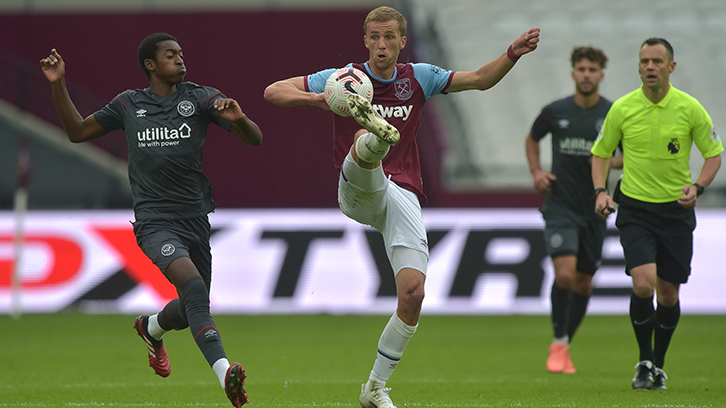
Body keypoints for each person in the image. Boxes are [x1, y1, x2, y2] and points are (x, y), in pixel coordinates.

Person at [264, 6, 539, 408]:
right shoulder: (345, 78)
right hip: (357, 187)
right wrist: (320, 98)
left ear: (402, 41)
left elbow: (480, 80)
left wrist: (512, 52)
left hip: (402, 195)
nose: (381, 44)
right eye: (374, 37)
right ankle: (374, 135)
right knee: (365, 148)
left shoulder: (419, 77)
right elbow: (273, 91)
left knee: (413, 294)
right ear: (365, 40)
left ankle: (374, 388)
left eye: (389, 36)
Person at [40, 33, 263, 407]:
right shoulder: (129, 104)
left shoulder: (200, 97)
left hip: (195, 218)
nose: (180, 60)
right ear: (150, 65)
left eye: (181, 54)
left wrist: (240, 120)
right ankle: (224, 371)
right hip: (154, 221)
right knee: (193, 289)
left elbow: (255, 140)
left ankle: (151, 326)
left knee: (194, 303)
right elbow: (77, 133)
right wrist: (59, 84)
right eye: (170, 55)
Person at [591, 38, 722, 391]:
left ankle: (658, 365)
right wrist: (600, 191)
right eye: (644, 61)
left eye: (657, 61)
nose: (650, 67)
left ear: (671, 67)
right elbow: (601, 153)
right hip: (634, 208)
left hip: (675, 212)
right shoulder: (622, 108)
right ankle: (644, 361)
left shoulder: (690, 108)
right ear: (638, 66)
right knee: (643, 283)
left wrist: (699, 186)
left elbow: (713, 154)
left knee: (667, 295)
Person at [526, 46, 622, 374]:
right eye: (581, 68)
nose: (586, 74)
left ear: (601, 75)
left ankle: (565, 344)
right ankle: (557, 340)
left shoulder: (614, 114)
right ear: (573, 73)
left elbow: (627, 154)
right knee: (564, 273)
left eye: (592, 70)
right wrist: (537, 172)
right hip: (561, 206)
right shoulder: (555, 111)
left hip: (595, 210)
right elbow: (532, 138)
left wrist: (604, 160)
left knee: (583, 283)